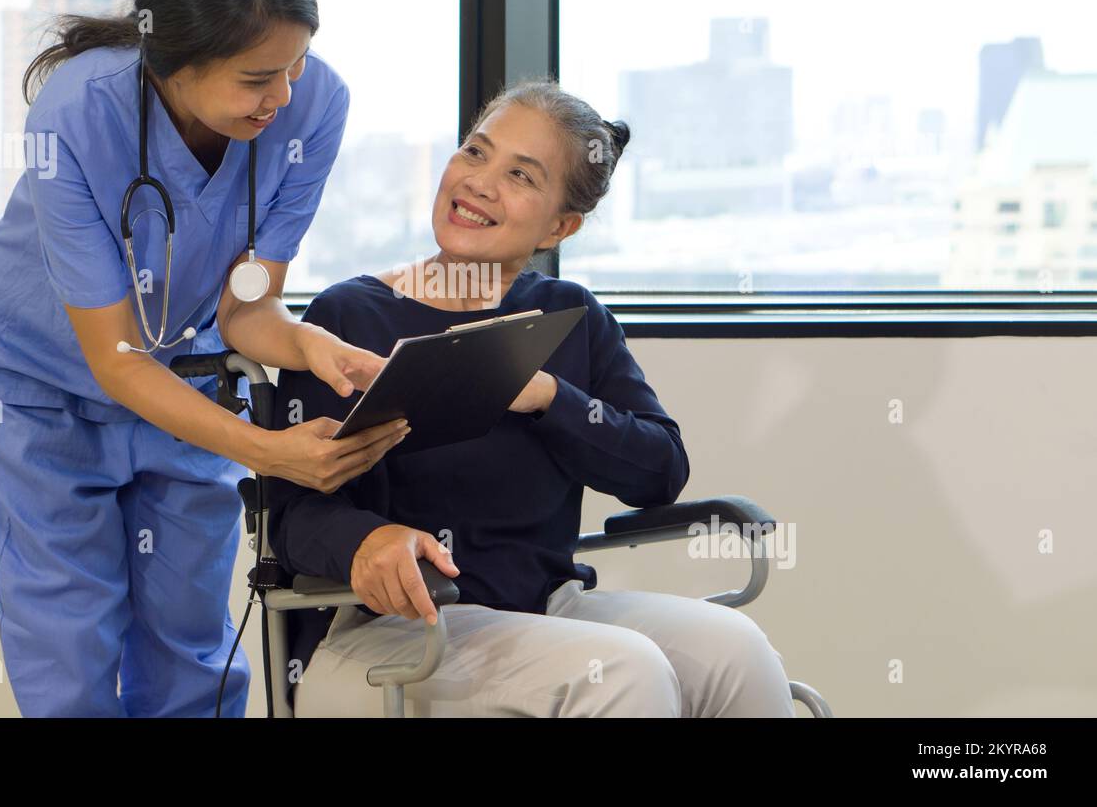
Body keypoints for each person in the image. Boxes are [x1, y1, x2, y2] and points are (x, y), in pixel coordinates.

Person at [0, 0, 407, 718]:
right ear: (171, 61)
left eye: (295, 66)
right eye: (256, 78)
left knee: (191, 646)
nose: (283, 97)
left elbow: (247, 311)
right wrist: (269, 452)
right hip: (43, 389)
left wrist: (317, 347)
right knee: (70, 645)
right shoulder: (75, 114)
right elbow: (117, 357)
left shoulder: (314, 107)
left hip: (188, 368)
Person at [267, 80, 797, 717]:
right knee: (622, 673)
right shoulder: (347, 317)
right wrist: (366, 542)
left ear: (560, 226)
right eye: (475, 152)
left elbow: (659, 470)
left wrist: (547, 394)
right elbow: (294, 513)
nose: (480, 182)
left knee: (735, 649)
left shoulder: (570, 315)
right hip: (387, 631)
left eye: (520, 175)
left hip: (547, 609)